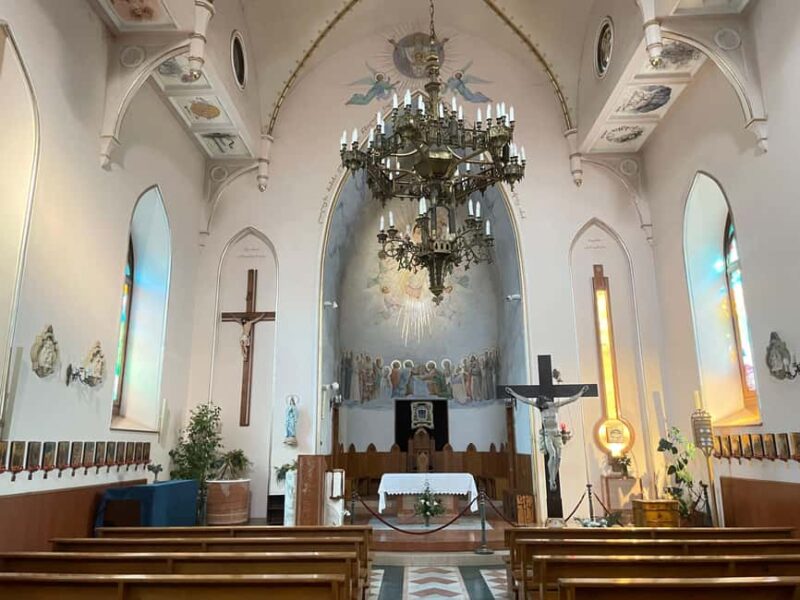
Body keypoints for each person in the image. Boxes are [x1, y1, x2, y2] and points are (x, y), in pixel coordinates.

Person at [505, 384, 589, 491]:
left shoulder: (554, 405)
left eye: (542, 406)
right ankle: (552, 480)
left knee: (558, 457)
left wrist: (581, 392)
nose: (542, 409)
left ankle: (553, 477)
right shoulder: (540, 407)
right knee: (553, 455)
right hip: (548, 435)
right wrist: (513, 393)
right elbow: (525, 400)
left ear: (545, 403)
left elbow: (571, 400)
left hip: (557, 434)